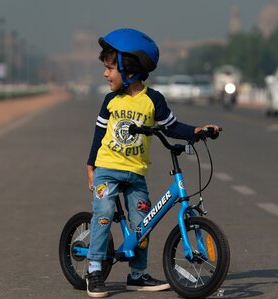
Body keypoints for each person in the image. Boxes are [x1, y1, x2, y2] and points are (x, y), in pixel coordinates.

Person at [86, 28, 220, 298]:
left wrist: (198, 131)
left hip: (136, 173)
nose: (105, 74)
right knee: (102, 217)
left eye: (109, 68)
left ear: (129, 68)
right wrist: (91, 166)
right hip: (108, 170)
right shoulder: (110, 101)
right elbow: (99, 134)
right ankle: (94, 269)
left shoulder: (153, 100)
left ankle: (137, 275)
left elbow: (172, 127)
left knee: (143, 224)